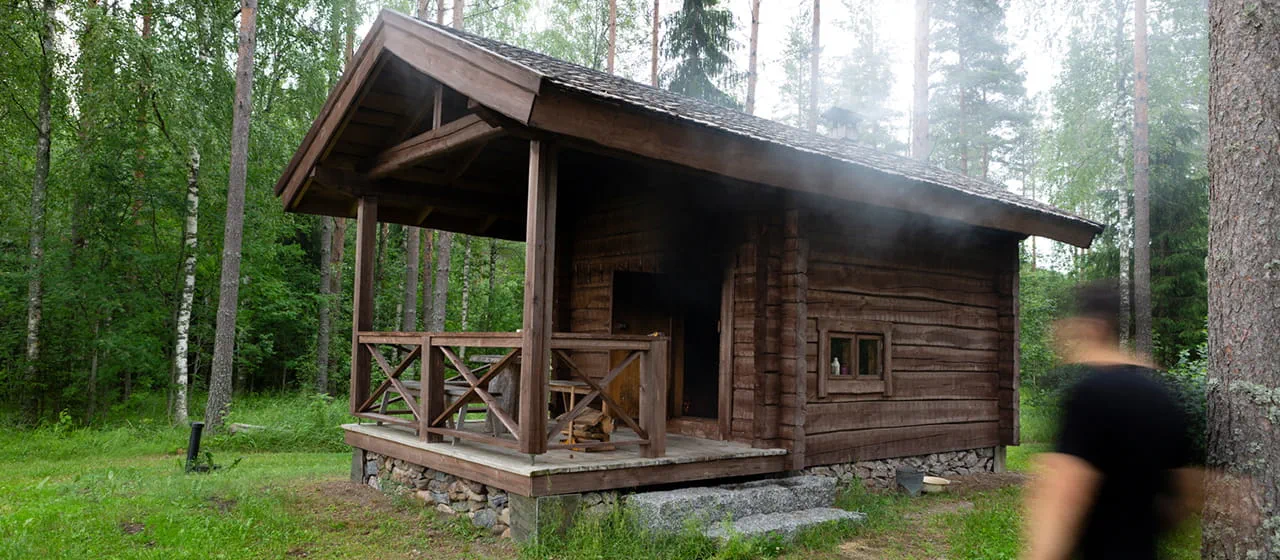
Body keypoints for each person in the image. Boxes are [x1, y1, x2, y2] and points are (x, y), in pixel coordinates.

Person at [1023, 282, 1202, 560]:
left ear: (1092, 326)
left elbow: (1064, 495)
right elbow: (1187, 492)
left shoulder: (1090, 395)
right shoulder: (1164, 394)